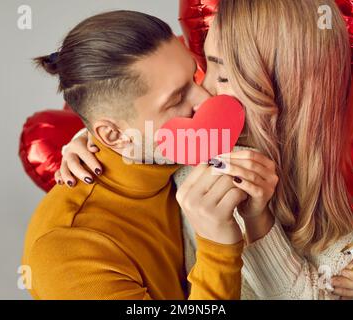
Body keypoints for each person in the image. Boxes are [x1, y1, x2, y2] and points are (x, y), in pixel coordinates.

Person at [59, 0, 353, 299]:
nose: (204, 92)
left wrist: (257, 218)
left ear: (279, 86)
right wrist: (84, 140)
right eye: (206, 64)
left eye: (221, 74)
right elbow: (135, 124)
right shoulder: (204, 144)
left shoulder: (347, 189)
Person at [23, 10, 248, 300]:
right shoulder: (66, 249)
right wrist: (218, 248)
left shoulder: (159, 152)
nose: (205, 99)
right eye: (178, 99)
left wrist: (83, 136)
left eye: (195, 76)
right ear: (113, 135)